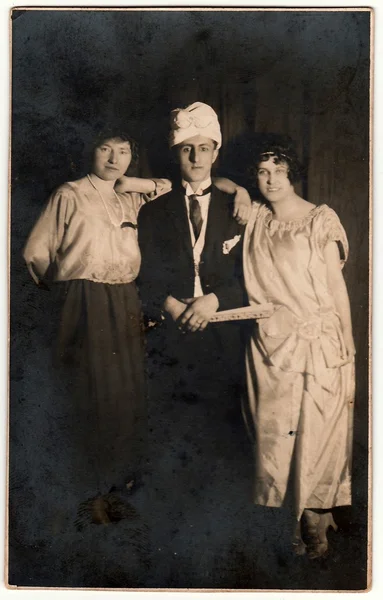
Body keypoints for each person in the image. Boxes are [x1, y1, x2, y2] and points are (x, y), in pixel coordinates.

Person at [22, 129, 174, 524]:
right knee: (87, 391)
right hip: (81, 301)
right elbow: (35, 252)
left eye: (123, 151)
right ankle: (87, 495)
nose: (113, 158)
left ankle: (115, 489)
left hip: (123, 299)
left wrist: (131, 183)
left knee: (125, 393)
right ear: (90, 150)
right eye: (105, 149)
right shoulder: (69, 194)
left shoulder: (132, 196)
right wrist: (67, 296)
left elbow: (173, 187)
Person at [137, 102, 250, 557]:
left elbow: (253, 272)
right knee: (171, 426)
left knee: (224, 426)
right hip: (171, 333)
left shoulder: (238, 207)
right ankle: (170, 532)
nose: (197, 158)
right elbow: (143, 274)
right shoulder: (154, 211)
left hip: (225, 334)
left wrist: (213, 300)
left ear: (216, 153)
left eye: (204, 149)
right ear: (176, 154)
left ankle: (224, 532)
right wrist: (171, 304)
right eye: (187, 150)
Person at [242, 135, 355, 559]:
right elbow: (193, 186)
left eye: (279, 171)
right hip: (271, 344)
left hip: (320, 340)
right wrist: (235, 189)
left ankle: (314, 517)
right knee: (275, 437)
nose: (270, 180)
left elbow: (335, 285)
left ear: (294, 173)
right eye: (262, 172)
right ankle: (285, 524)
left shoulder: (320, 219)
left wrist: (346, 338)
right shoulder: (254, 217)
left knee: (320, 433)